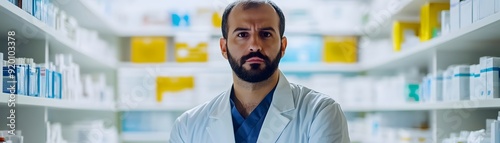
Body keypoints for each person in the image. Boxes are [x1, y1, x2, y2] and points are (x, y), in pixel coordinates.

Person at [169, 0, 350, 142]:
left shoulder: (320, 113)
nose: (254, 45)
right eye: (242, 35)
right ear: (224, 48)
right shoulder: (188, 126)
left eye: (266, 34)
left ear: (283, 46)